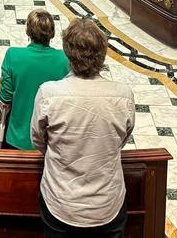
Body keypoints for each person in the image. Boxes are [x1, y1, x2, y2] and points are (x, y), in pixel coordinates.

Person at [31, 18, 134, 238]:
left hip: (62, 202)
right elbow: (122, 138)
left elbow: (38, 140)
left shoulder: (49, 93)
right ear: (103, 54)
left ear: (68, 53)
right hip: (105, 204)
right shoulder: (123, 95)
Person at [0, 10, 69, 151]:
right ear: (52, 33)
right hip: (50, 139)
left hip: (18, 138)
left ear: (27, 31)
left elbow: (5, 98)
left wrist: (1, 112)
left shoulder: (13, 55)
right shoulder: (64, 59)